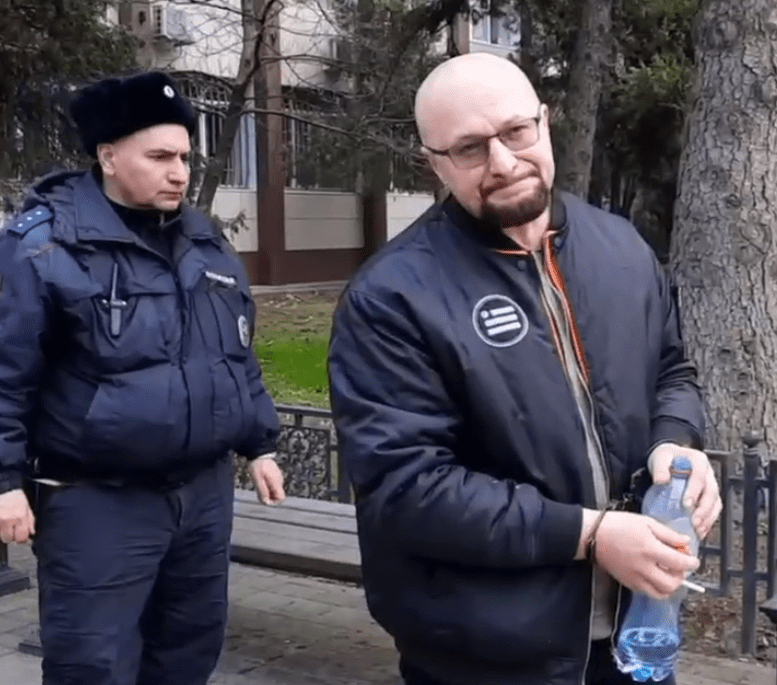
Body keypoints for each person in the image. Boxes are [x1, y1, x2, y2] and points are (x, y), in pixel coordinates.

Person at [327, 52, 723, 685]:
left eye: (516, 132)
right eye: (470, 149)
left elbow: (672, 372)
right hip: (485, 652)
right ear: (434, 162)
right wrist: (590, 535)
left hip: (635, 630)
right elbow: (407, 489)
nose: (503, 162)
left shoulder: (621, 248)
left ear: (544, 121)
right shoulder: (392, 298)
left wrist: (675, 445)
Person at [0, 71, 287, 685]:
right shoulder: (45, 248)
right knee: (93, 666)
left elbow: (234, 351)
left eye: (184, 157)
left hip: (202, 497)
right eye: (159, 157)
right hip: (96, 501)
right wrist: (4, 482)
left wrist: (259, 444)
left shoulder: (204, 243)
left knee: (187, 654)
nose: (179, 173)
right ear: (108, 157)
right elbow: (6, 372)